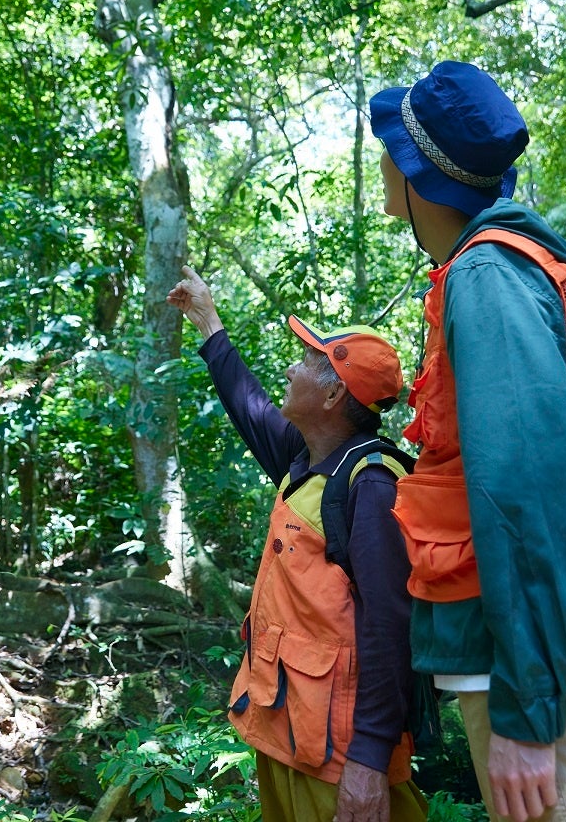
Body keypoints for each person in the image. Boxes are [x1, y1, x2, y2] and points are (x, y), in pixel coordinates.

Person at [369, 61, 566, 822]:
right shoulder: (487, 269)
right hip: (553, 660)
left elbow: (525, 489)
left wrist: (530, 715)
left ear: (413, 172)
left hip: (552, 677)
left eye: (390, 143)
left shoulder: (489, 276)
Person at [168, 265, 427, 822]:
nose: (292, 367)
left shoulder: (372, 486)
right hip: (287, 726)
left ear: (334, 394)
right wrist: (208, 322)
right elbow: (250, 406)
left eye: (309, 362)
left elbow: (391, 626)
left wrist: (368, 760)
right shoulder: (305, 461)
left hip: (340, 755)